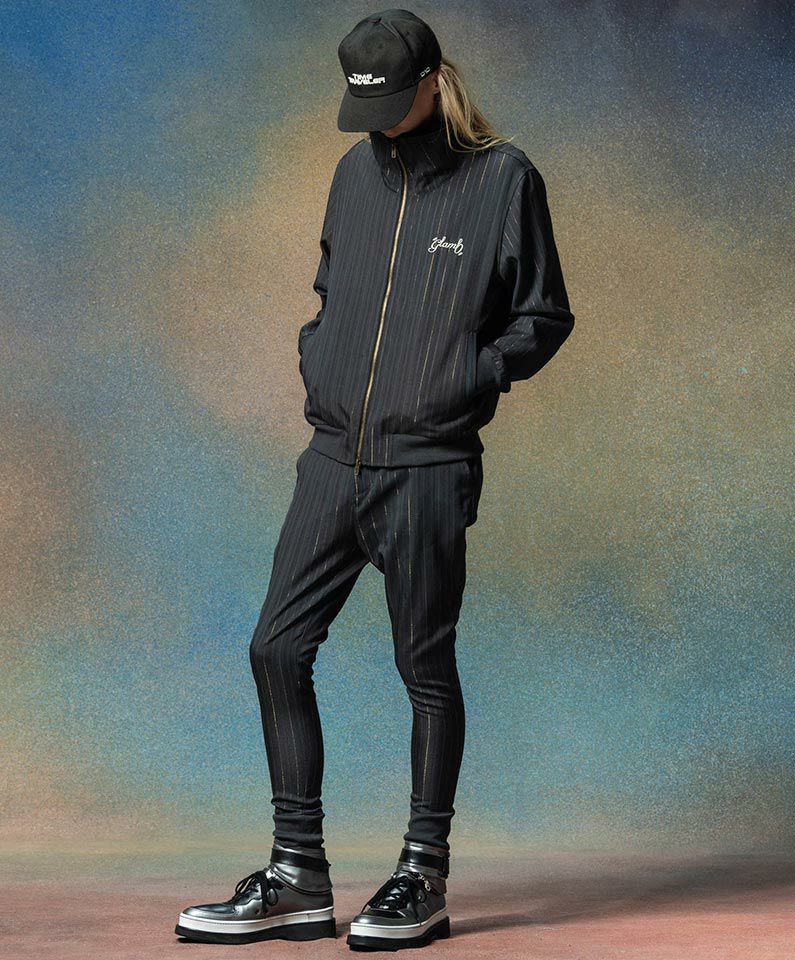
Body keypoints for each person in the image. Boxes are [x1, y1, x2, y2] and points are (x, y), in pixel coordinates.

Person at [175, 8, 575, 951]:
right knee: (276, 648)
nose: (380, 120)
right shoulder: (353, 174)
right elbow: (330, 291)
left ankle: (421, 875)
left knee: (423, 667)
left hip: (427, 467)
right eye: (366, 104)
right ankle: (297, 876)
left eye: (394, 100)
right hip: (332, 458)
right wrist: (318, 357)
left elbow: (543, 316)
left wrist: (468, 376)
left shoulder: (503, 178)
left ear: (434, 80)